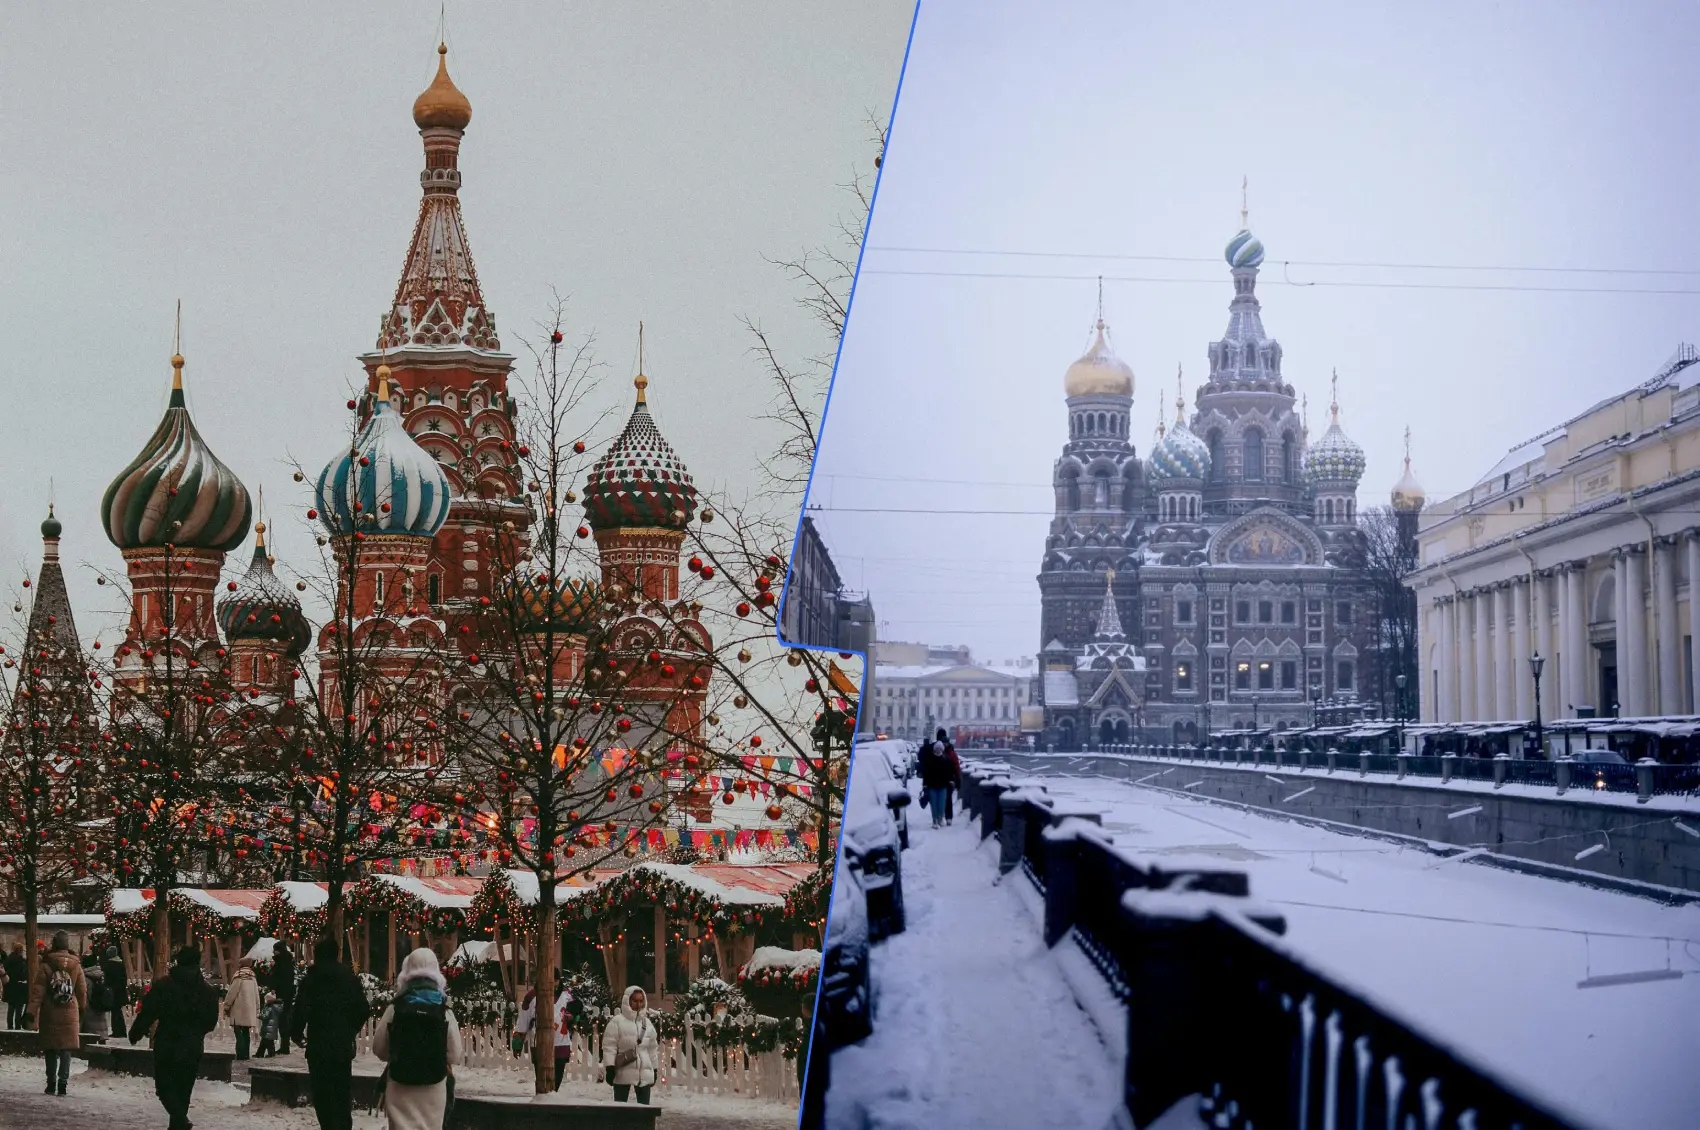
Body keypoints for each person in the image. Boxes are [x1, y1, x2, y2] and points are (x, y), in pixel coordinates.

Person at [128, 945, 217, 1130]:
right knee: (184, 1088)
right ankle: (178, 1123)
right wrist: (197, 1032)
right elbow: (211, 1021)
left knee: (164, 1086)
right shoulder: (207, 990)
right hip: (193, 1044)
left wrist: (136, 1031)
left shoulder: (164, 985)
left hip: (167, 1041)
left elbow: (149, 1011)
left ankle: (179, 1121)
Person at [372, 948, 462, 1130]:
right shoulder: (443, 1010)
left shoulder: (396, 1007)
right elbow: (454, 1055)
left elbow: (379, 1049)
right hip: (433, 1086)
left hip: (399, 1083)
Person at [289, 937, 370, 1130]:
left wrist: (297, 1034)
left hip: (319, 1044)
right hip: (342, 1044)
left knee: (322, 1093)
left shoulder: (311, 979)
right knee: (341, 1092)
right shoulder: (349, 979)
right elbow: (363, 1008)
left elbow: (300, 1010)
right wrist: (350, 1029)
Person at [30, 931, 87, 1096]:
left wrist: (31, 1012)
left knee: (50, 1049)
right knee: (66, 1050)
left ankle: (50, 1083)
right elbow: (82, 991)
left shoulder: (46, 964)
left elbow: (38, 992)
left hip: (50, 1010)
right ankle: (63, 1083)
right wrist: (82, 1009)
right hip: (70, 1010)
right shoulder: (76, 965)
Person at [600, 986, 659, 1104]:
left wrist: (655, 1068)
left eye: (641, 1001)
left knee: (644, 1108)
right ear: (628, 1001)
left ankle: (643, 1123)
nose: (638, 1004)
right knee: (620, 1107)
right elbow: (609, 1046)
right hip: (623, 1068)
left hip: (644, 1069)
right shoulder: (617, 1022)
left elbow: (652, 1048)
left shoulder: (647, 1023)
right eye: (635, 1000)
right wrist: (610, 1067)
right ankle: (621, 1123)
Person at [223, 958, 261, 1060]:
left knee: (238, 1032)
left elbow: (231, 993)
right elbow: (257, 995)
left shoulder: (238, 977)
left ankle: (240, 1053)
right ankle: (246, 1054)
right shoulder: (253, 978)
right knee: (245, 1033)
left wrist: (226, 1006)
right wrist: (257, 1008)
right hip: (249, 1011)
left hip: (238, 1010)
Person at [920, 727, 953, 828]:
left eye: (940, 749)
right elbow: (927, 773)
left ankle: (940, 818)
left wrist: (951, 781)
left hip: (943, 785)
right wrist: (925, 784)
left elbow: (949, 772)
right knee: (934, 804)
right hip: (932, 785)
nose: (939, 751)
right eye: (937, 749)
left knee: (941, 804)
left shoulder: (945, 760)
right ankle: (935, 820)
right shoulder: (931, 759)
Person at [548, 982, 577, 1091]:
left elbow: (575, 1008)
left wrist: (571, 1017)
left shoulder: (566, 994)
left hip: (561, 1040)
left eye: (555, 980)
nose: (553, 983)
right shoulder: (538, 993)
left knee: (558, 1070)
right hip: (544, 1040)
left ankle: (554, 1092)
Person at [270, 943, 296, 1055]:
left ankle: (285, 1046)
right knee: (284, 1020)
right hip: (287, 995)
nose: (273, 953)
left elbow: (279, 979)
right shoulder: (287, 962)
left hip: (282, 995)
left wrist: (274, 988)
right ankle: (285, 1045)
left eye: (275, 950)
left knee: (283, 1020)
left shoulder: (281, 963)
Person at [102, 946, 130, 1038]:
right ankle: (121, 1031)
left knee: (115, 1013)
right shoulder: (121, 964)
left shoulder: (109, 965)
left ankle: (117, 1032)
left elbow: (107, 980)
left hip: (113, 992)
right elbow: (124, 978)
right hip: (120, 991)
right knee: (118, 1012)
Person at [81, 959, 110, 1037]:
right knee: (101, 1026)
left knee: (90, 1032)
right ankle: (103, 1039)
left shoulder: (85, 978)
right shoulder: (101, 976)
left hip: (89, 1008)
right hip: (100, 1006)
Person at [3, 943, 28, 1029]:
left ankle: (10, 1025)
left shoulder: (9, 959)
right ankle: (17, 1026)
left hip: (10, 986)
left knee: (11, 1007)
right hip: (20, 986)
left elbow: (6, 970)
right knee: (19, 1008)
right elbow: (23, 974)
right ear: (20, 951)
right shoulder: (22, 962)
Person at [942, 738, 962, 826]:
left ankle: (948, 817)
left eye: (945, 743)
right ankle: (941, 815)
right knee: (941, 798)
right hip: (940, 779)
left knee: (948, 798)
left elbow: (957, 767)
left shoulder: (952, 754)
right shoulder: (939, 752)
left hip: (950, 779)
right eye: (943, 743)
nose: (944, 745)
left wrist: (958, 779)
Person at [258, 991, 283, 1058]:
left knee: (267, 1042)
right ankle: (260, 1053)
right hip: (273, 1028)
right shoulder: (277, 1007)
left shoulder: (269, 1007)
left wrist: (259, 1015)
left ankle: (270, 1054)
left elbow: (265, 1016)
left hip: (268, 1028)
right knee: (266, 1041)